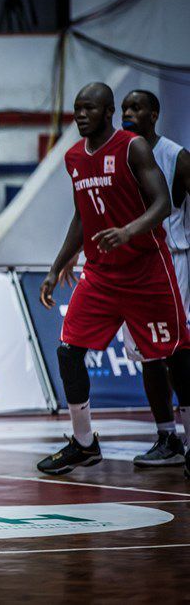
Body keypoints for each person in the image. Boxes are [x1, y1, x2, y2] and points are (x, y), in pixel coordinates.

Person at [38, 82, 190, 477]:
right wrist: (57, 266)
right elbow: (81, 215)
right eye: (77, 109)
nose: (81, 115)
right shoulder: (74, 157)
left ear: (108, 112)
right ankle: (84, 443)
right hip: (101, 274)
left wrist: (128, 231)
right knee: (68, 350)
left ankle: (184, 442)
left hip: (147, 270)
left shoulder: (132, 147)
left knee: (175, 353)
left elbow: (162, 204)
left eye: (89, 109)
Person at [116, 89, 190, 467]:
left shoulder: (176, 156)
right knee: (148, 354)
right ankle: (167, 436)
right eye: (125, 107)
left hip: (174, 260)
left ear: (154, 114)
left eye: (136, 107)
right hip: (134, 265)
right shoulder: (119, 155)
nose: (128, 113)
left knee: (178, 352)